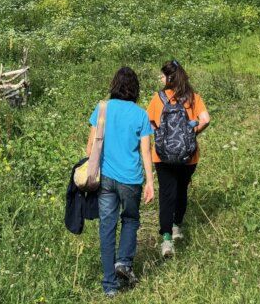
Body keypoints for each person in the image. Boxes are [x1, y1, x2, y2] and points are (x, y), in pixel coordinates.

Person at [87, 67, 155, 297]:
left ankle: (109, 286)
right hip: (131, 179)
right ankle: (123, 262)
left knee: (107, 228)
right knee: (131, 220)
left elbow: (91, 147)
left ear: (114, 85)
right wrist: (150, 182)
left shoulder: (103, 108)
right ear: (135, 89)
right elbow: (146, 151)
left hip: (105, 178)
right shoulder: (141, 115)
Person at [147, 59, 210, 259]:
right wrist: (192, 134)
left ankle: (166, 240)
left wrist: (161, 134)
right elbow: (206, 119)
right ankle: (176, 227)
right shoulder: (193, 97)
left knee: (167, 194)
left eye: (162, 75)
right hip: (188, 156)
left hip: (162, 156)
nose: (161, 78)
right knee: (181, 190)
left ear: (168, 78)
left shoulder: (158, 99)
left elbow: (149, 124)